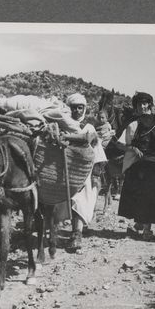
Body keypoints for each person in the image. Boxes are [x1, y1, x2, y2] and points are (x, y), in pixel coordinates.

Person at [54, 93, 107, 250]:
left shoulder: (88, 127)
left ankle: (77, 234)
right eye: (74, 107)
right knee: (64, 201)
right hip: (64, 170)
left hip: (84, 172)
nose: (77, 111)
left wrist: (96, 174)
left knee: (81, 201)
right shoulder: (61, 126)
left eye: (80, 107)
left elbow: (96, 150)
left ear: (84, 109)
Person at [117, 92, 155, 239]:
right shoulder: (132, 123)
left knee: (150, 196)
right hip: (137, 165)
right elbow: (119, 144)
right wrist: (133, 148)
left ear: (150, 105)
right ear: (135, 106)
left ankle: (146, 229)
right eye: (139, 104)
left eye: (145, 104)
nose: (142, 107)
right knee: (138, 196)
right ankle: (140, 223)